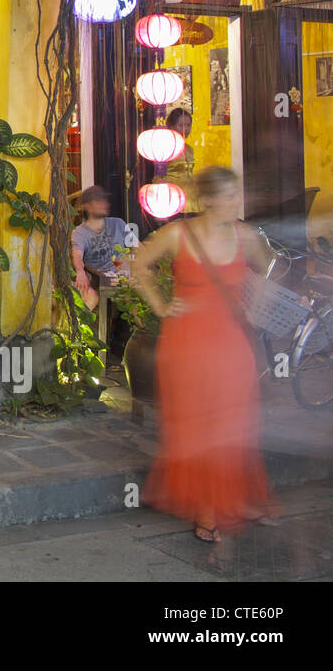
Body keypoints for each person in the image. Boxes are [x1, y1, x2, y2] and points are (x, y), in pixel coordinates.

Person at [130, 166, 278, 546]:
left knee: (235, 421)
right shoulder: (178, 233)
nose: (235, 202)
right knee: (198, 423)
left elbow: (271, 269)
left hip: (231, 342)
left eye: (236, 195)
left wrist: (255, 307)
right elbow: (138, 265)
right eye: (228, 196)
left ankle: (238, 496)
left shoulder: (245, 236)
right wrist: (161, 306)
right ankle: (208, 507)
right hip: (187, 343)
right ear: (208, 199)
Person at [71, 185, 137, 362]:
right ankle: (95, 355)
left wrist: (143, 268)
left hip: (124, 276)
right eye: (98, 200)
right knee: (91, 298)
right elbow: (77, 256)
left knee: (140, 299)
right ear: (87, 206)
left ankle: (127, 352)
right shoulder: (80, 233)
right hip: (100, 278)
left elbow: (137, 248)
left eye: (104, 200)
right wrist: (80, 272)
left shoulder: (118, 224)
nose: (104, 203)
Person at [163, 108, 198, 214]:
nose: (186, 129)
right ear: (171, 126)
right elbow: (159, 177)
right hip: (173, 197)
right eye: (181, 125)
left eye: (188, 125)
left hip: (192, 197)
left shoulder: (189, 148)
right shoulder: (165, 148)